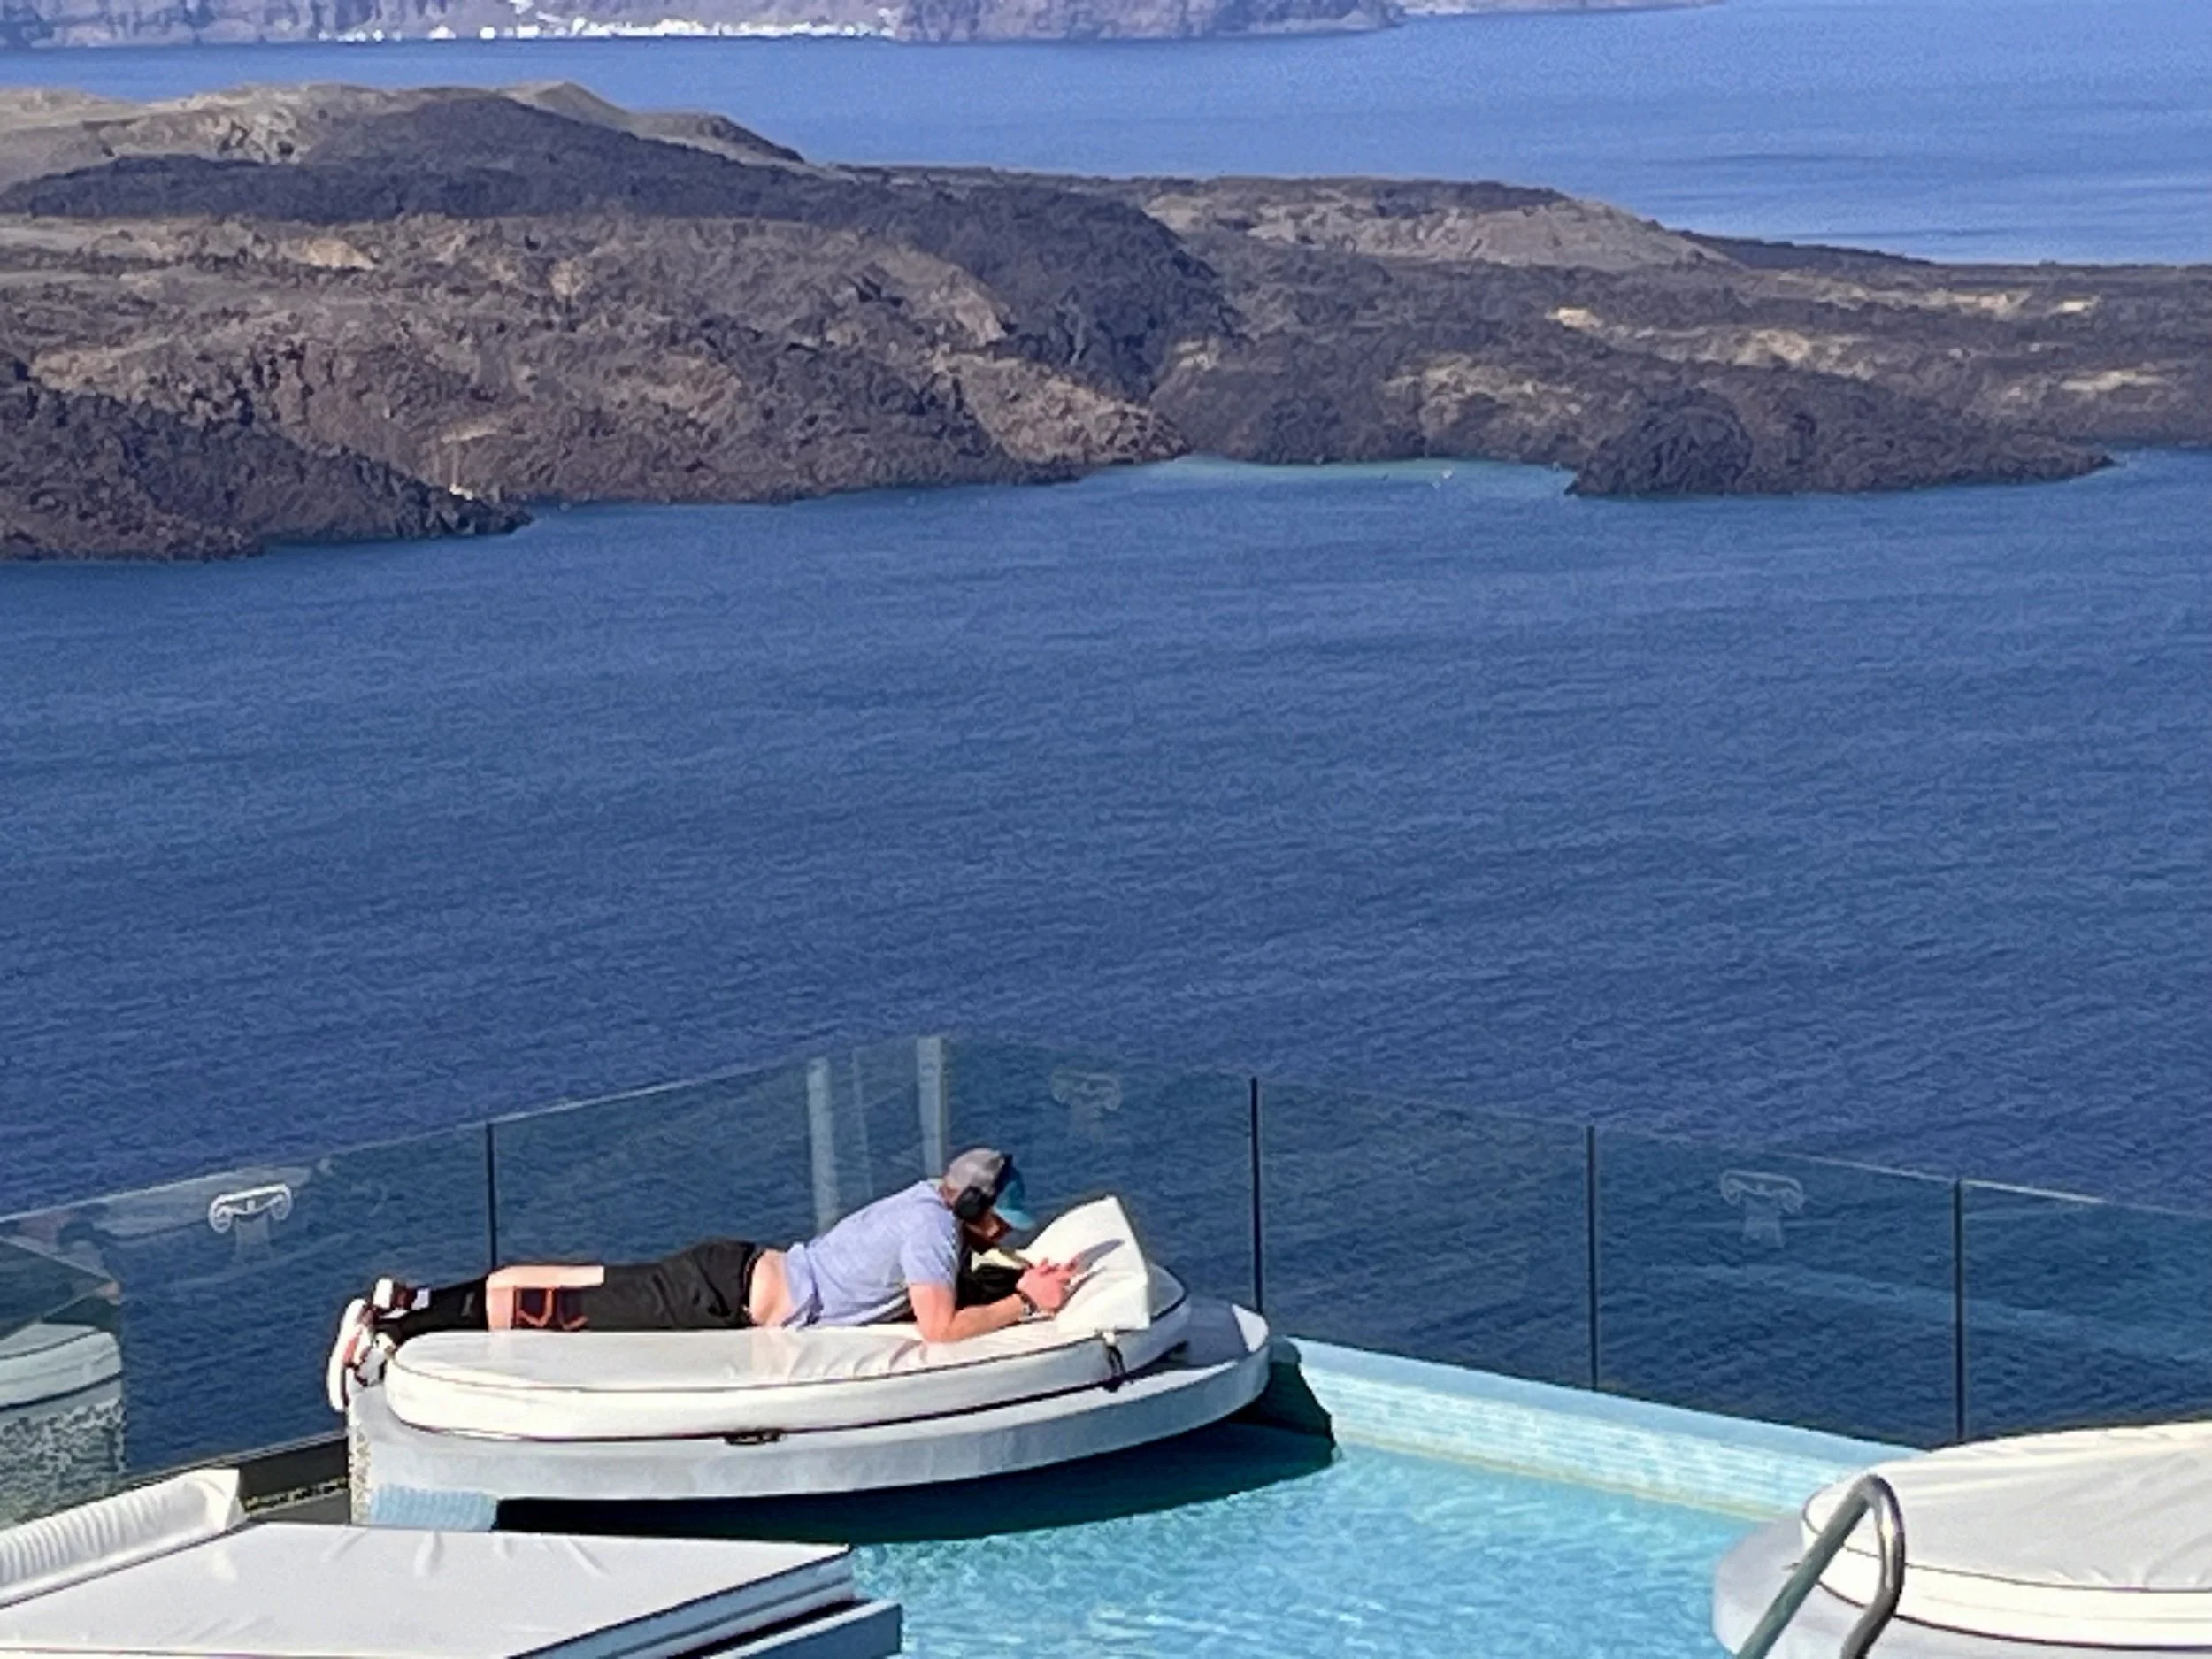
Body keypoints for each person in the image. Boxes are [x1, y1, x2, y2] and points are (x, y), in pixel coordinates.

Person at [325, 1147, 1079, 1409]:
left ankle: (413, 1300)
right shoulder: (930, 1232)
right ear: (978, 1210)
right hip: (720, 1295)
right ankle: (395, 1327)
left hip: (736, 1273)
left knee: (576, 1282)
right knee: (561, 1303)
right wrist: (1023, 1302)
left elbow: (930, 1282)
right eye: (1004, 1222)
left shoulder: (928, 1205)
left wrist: (1011, 1279)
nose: (1009, 1232)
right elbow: (941, 1327)